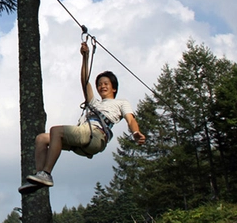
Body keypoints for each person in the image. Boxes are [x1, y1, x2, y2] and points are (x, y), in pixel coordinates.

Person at [18, 42, 145, 194]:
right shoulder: (94, 103)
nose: (102, 86)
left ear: (114, 88)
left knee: (56, 131)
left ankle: (46, 173)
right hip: (83, 137)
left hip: (96, 135)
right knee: (41, 138)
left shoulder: (121, 103)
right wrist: (85, 57)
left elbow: (131, 120)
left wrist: (135, 133)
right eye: (99, 84)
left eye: (106, 84)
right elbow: (85, 81)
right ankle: (40, 176)